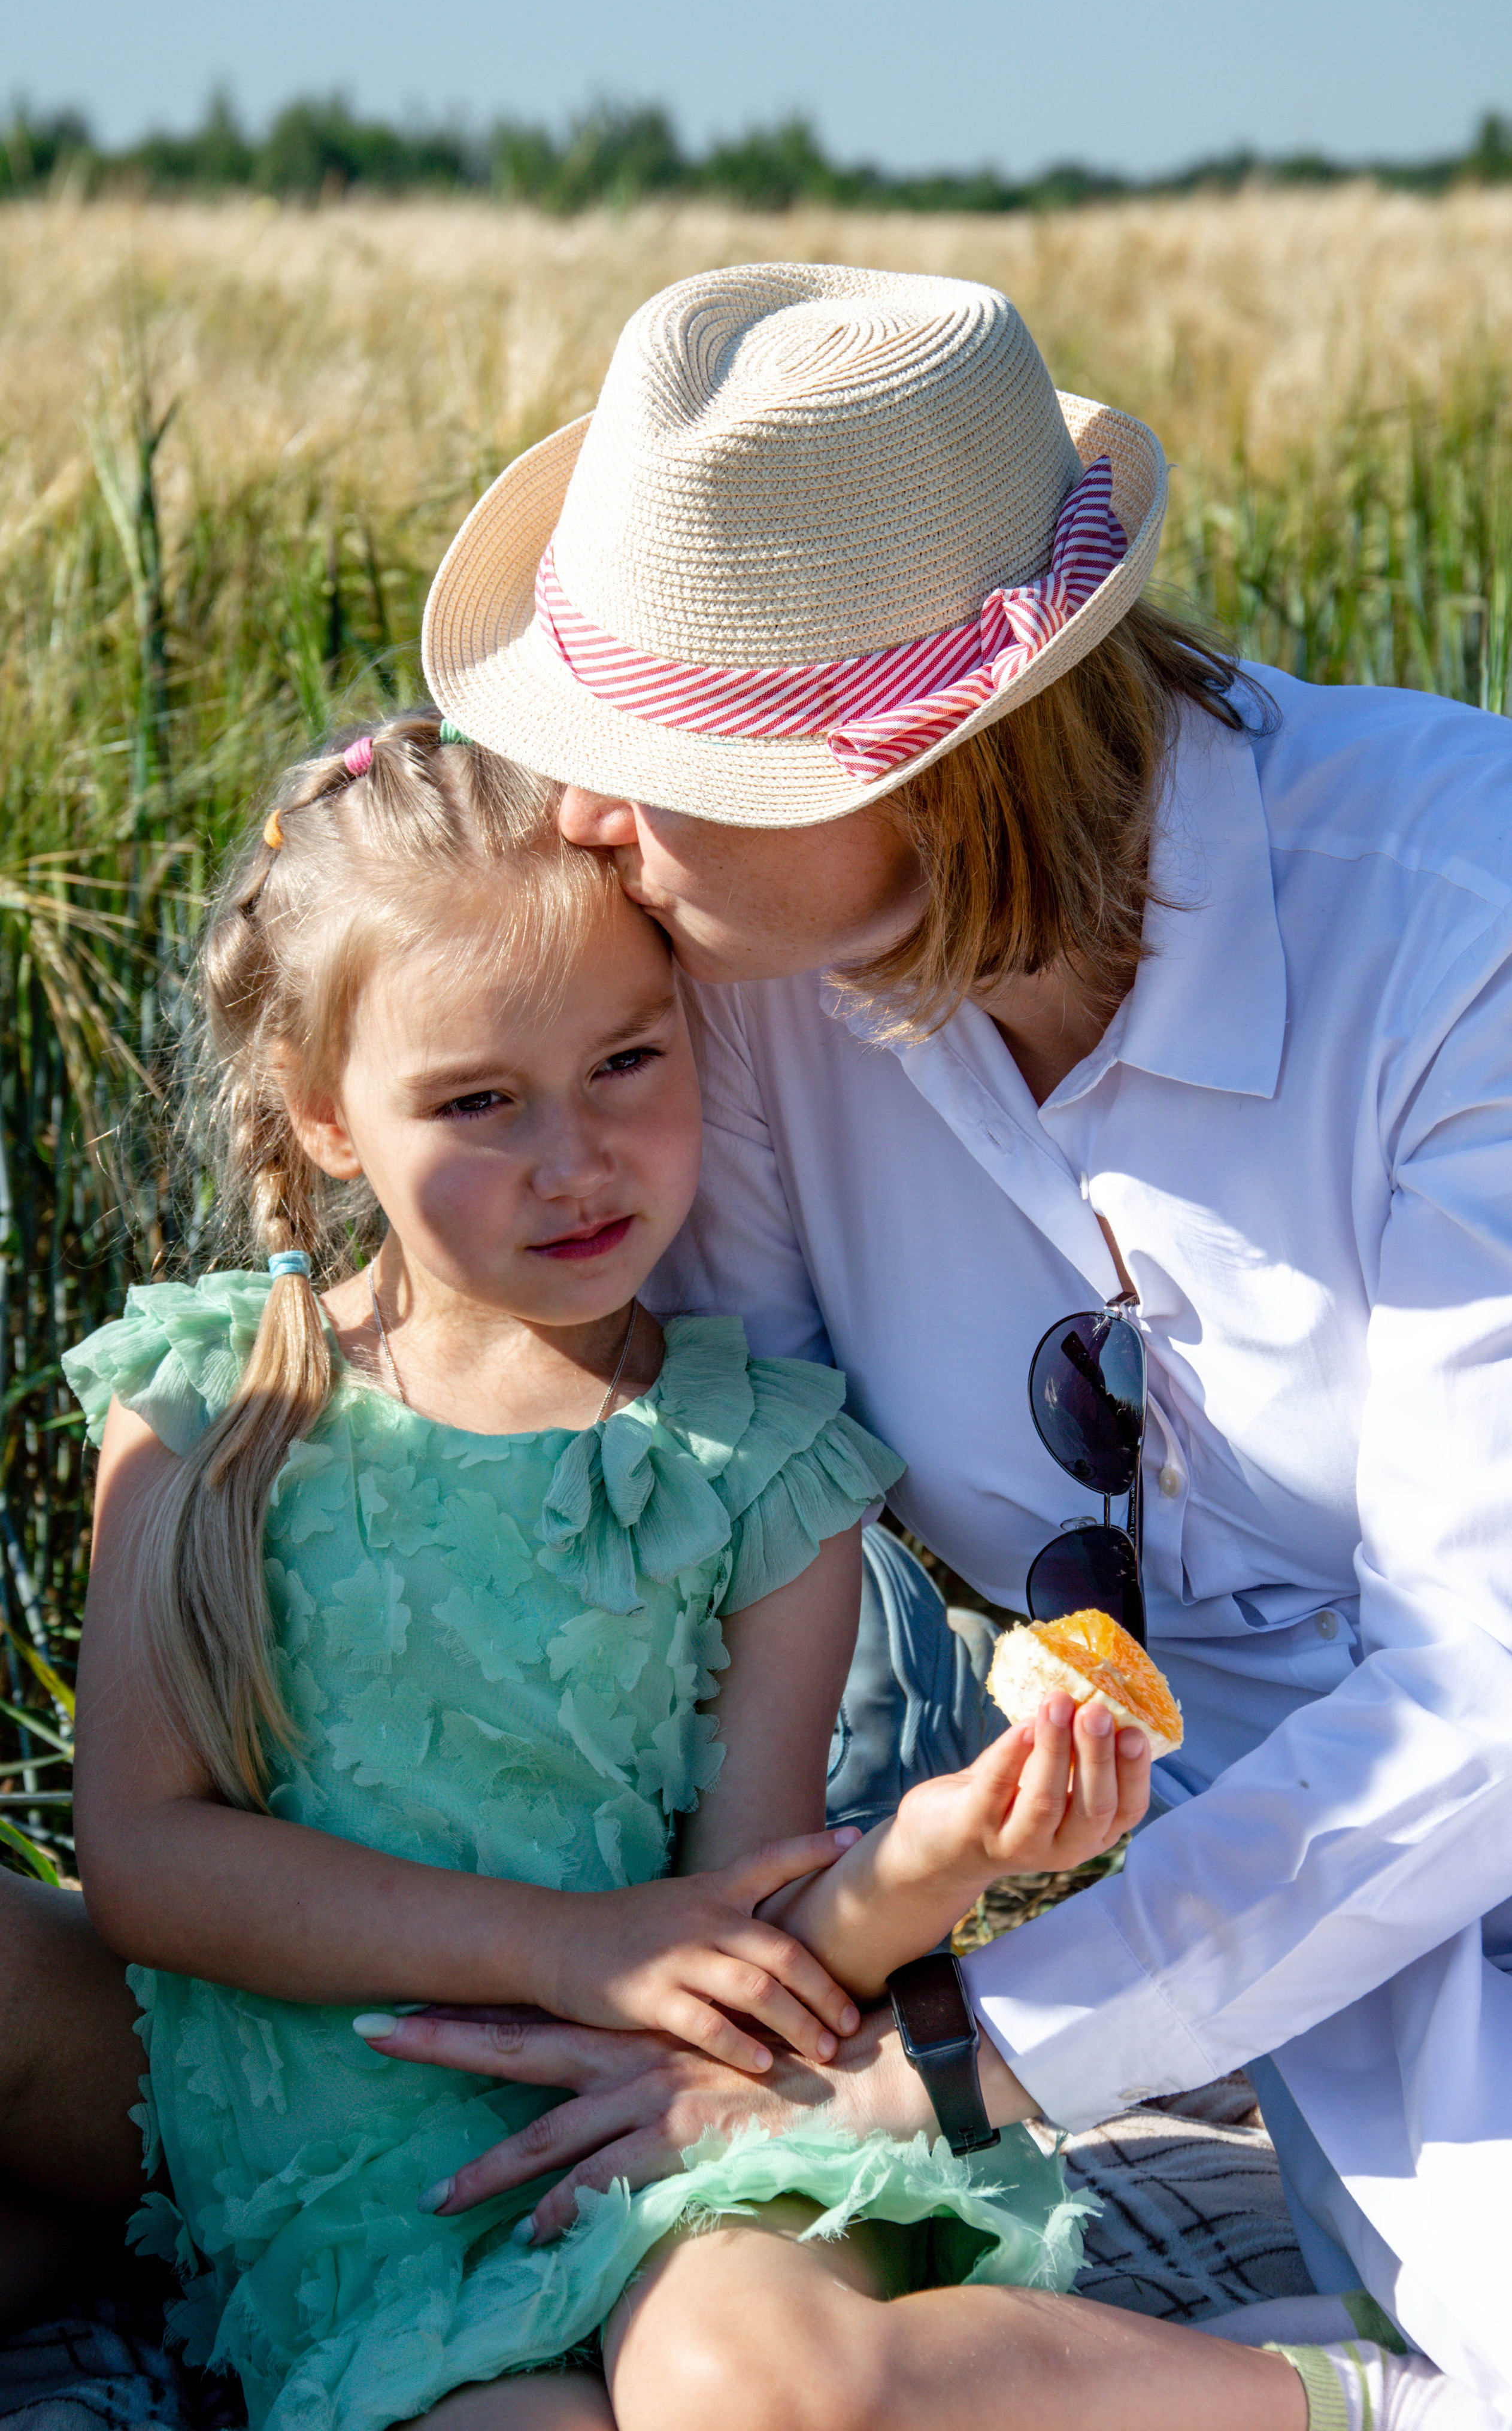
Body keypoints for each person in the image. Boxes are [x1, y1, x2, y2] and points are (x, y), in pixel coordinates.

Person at [394, 261, 1512, 2422]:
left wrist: (957, 2055)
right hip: (1213, 1941)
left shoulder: (1463, 935)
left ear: (917, 765)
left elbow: (1483, 1691)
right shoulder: (747, 989)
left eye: (650, 759)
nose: (578, 822)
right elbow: (679, 1461)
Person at [56, 706, 1198, 2431]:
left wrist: (952, 1849)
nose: (574, 1159)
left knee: (737, 2386)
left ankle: (1317, 2388)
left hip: (661, 2142)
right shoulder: (210, 1418)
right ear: (325, 1114)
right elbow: (143, 1859)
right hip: (369, 2190)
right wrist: (560, 1945)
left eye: (626, 1063)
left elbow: (756, 1929)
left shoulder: (758, 1460)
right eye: (476, 1101)